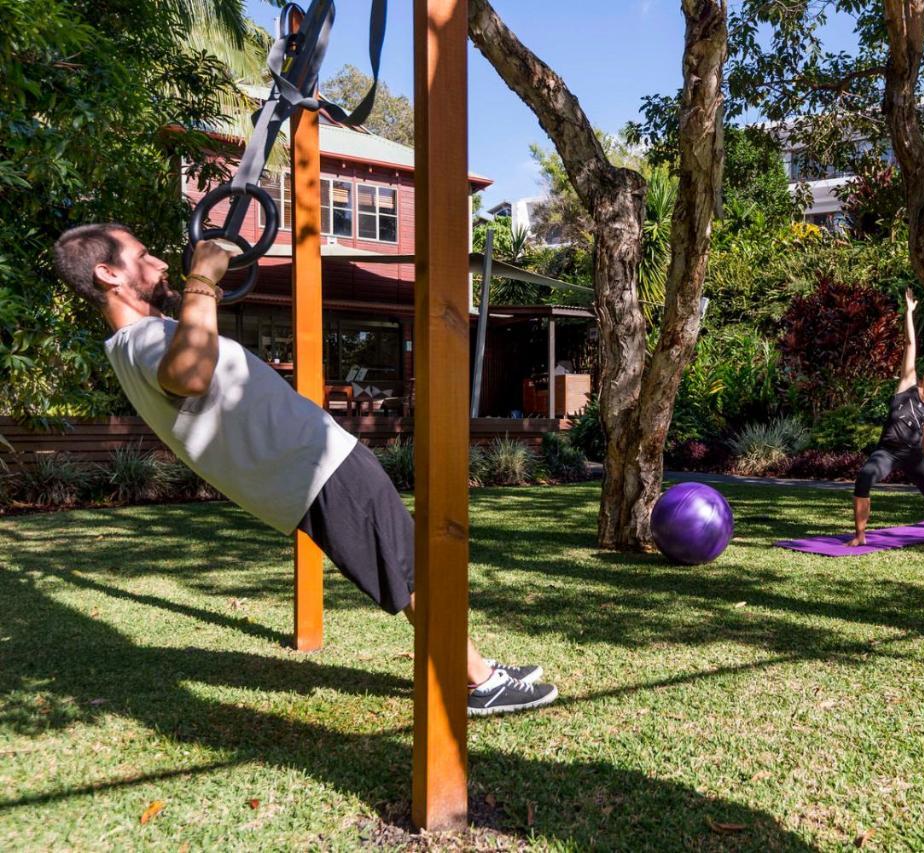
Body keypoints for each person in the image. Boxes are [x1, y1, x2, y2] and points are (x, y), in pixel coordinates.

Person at [53, 223, 557, 717]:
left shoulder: (145, 339)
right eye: (142, 257)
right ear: (107, 274)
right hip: (313, 468)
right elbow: (190, 374)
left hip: (311, 464)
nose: (160, 262)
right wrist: (201, 278)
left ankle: (467, 667)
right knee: (409, 568)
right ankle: (481, 683)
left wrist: (203, 291)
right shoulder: (143, 340)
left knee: (405, 562)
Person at [852, 287, 924, 546]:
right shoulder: (907, 384)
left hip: (913, 454)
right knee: (865, 476)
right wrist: (909, 313)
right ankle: (860, 535)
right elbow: (910, 344)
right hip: (888, 451)